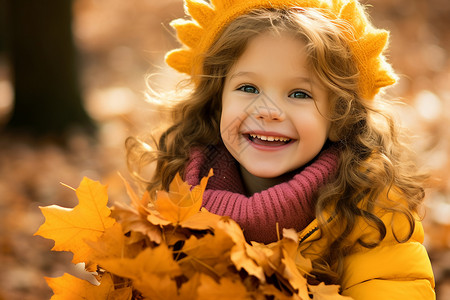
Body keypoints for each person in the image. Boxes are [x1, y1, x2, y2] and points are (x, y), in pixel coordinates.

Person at [126, 0, 435, 298]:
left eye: (299, 93)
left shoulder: (370, 208)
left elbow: (393, 287)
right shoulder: (179, 191)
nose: (268, 110)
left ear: (339, 117)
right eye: (248, 88)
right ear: (217, 101)